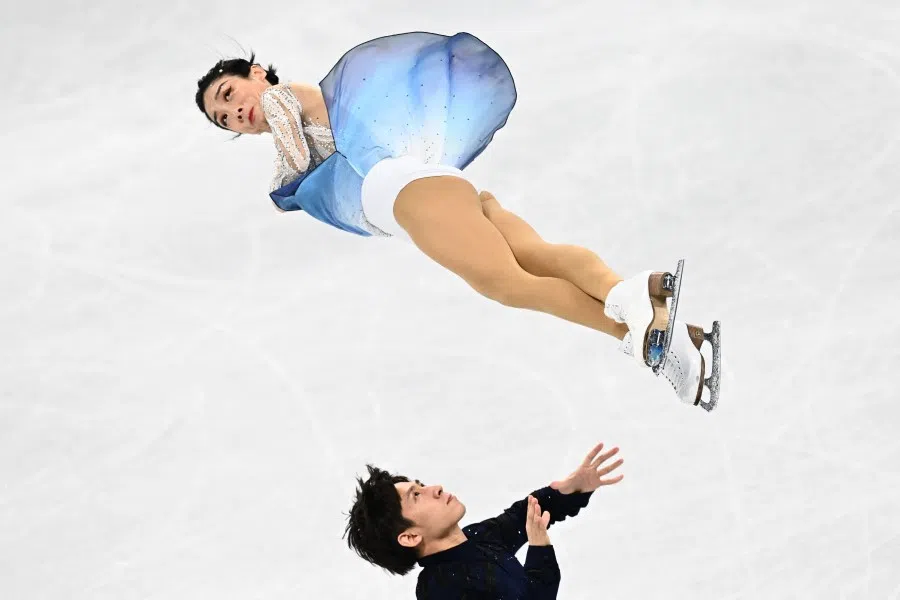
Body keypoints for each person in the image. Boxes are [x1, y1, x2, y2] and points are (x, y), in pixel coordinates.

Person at [194, 31, 720, 409]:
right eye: (223, 119)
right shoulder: (315, 104)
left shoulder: (285, 100)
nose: (233, 113)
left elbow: (293, 158)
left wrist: (282, 192)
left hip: (402, 192)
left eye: (228, 95)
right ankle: (671, 326)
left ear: (256, 74)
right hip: (433, 182)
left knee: (509, 285)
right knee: (536, 258)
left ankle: (641, 335)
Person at [343, 441, 625, 599]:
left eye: (421, 485)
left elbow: (521, 514)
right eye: (417, 495)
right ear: (410, 536)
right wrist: (540, 553)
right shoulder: (440, 590)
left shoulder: (477, 538)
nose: (435, 488)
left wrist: (571, 489)